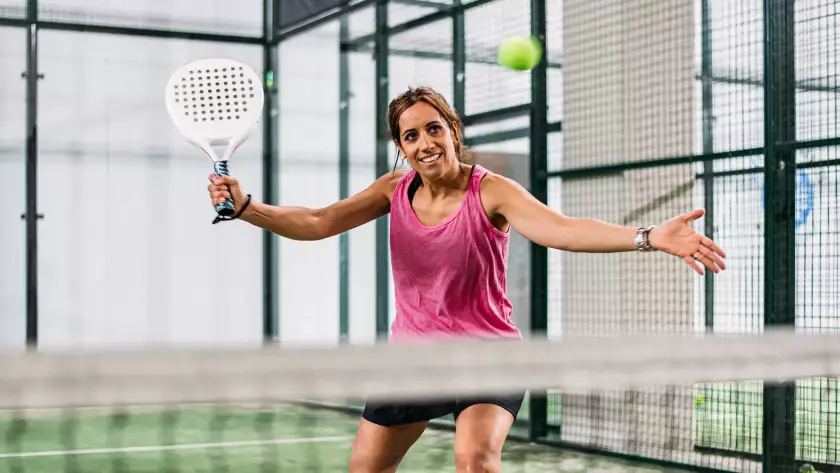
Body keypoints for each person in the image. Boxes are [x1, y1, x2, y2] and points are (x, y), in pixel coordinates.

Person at [207, 86, 727, 473]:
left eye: (433, 128)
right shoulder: (394, 190)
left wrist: (647, 235)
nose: (425, 142)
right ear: (401, 147)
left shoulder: (491, 191)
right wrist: (249, 207)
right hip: (412, 359)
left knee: (475, 461)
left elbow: (560, 230)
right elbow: (320, 222)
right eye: (411, 135)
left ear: (451, 130)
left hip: (488, 355)